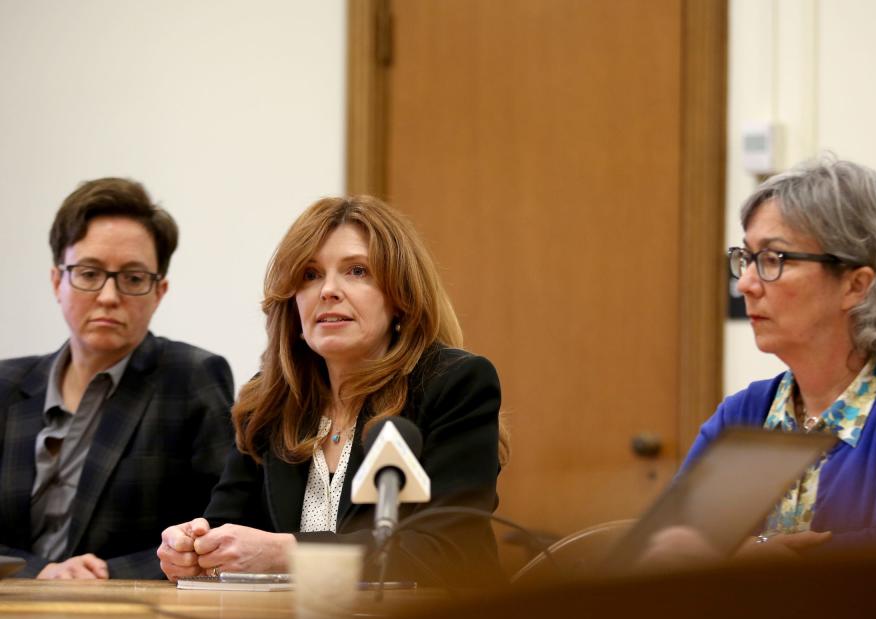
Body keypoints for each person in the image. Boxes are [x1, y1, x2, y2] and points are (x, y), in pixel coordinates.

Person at [157, 195, 505, 586]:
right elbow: (229, 527)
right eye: (309, 275)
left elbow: (447, 553)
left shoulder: (453, 384)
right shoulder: (270, 400)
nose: (328, 291)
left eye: (357, 271)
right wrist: (196, 549)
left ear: (401, 297)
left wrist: (286, 554)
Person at [682, 157, 876, 556]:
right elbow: (670, 558)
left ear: (856, 285)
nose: (744, 283)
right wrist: (768, 552)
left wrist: (741, 556)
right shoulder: (742, 414)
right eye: (746, 258)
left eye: (773, 259)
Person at [0, 178, 235, 579]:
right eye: (88, 273)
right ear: (58, 282)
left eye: (132, 278)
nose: (109, 296)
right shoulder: (6, 386)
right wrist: (42, 572)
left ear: (159, 291)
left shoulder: (193, 379)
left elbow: (222, 525)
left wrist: (106, 573)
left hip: (136, 615)